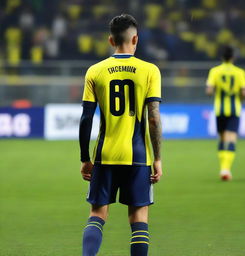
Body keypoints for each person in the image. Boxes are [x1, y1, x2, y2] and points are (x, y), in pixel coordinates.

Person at [79, 14, 162, 256]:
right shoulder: (150, 70)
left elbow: (86, 119)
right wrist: (157, 158)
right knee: (139, 219)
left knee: (97, 214)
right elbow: (154, 117)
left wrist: (85, 157)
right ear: (135, 38)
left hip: (105, 154)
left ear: (110, 40)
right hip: (137, 156)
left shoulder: (95, 71)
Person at [206, 45, 245, 181]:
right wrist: (239, 98)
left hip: (220, 110)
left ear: (221, 57)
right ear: (233, 57)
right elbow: (244, 93)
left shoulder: (215, 71)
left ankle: (223, 168)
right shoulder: (240, 72)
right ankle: (226, 169)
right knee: (231, 138)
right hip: (235, 109)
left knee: (222, 138)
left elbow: (209, 91)